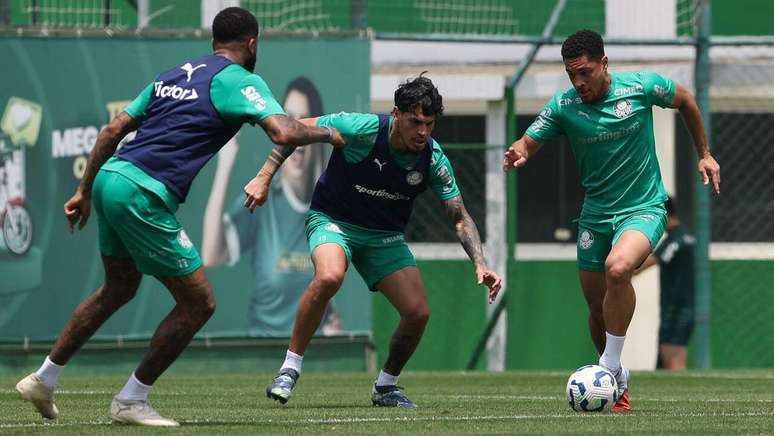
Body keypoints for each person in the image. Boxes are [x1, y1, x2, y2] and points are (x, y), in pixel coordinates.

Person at [14, 7, 343, 427]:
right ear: (253, 43)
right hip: (142, 193)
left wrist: (83, 189)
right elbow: (284, 132)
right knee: (199, 303)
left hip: (111, 178)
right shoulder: (238, 79)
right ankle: (131, 399)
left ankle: (44, 378)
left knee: (117, 289)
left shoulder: (174, 74)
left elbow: (113, 131)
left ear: (212, 42)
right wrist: (330, 133)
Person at [502, 30, 719, 412]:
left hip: (643, 208)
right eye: (572, 75)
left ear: (604, 63)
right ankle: (617, 385)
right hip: (594, 217)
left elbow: (685, 100)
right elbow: (528, 140)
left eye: (585, 72)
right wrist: (519, 152)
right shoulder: (564, 105)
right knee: (597, 309)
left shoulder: (641, 87)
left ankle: (609, 368)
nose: (579, 82)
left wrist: (704, 153)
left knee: (617, 270)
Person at [256, 74, 502, 409]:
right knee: (329, 276)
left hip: (383, 237)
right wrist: (264, 176)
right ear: (396, 114)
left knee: (418, 313)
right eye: (415, 122)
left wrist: (480, 263)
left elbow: (458, 216)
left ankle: (386, 386)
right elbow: (295, 130)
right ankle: (289, 369)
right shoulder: (360, 129)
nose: (423, 132)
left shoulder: (432, 158)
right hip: (334, 221)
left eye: (429, 124)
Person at [202, 77, 342, 336]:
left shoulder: (329, 203)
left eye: (305, 120)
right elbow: (212, 254)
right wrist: (224, 164)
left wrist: (332, 326)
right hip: (264, 345)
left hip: (313, 350)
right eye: (289, 118)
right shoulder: (263, 197)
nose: (296, 131)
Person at [635, 197, 696, 370]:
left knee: (673, 363)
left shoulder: (675, 241)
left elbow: (646, 263)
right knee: (666, 362)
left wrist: (620, 268)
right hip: (681, 306)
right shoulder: (686, 236)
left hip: (677, 308)